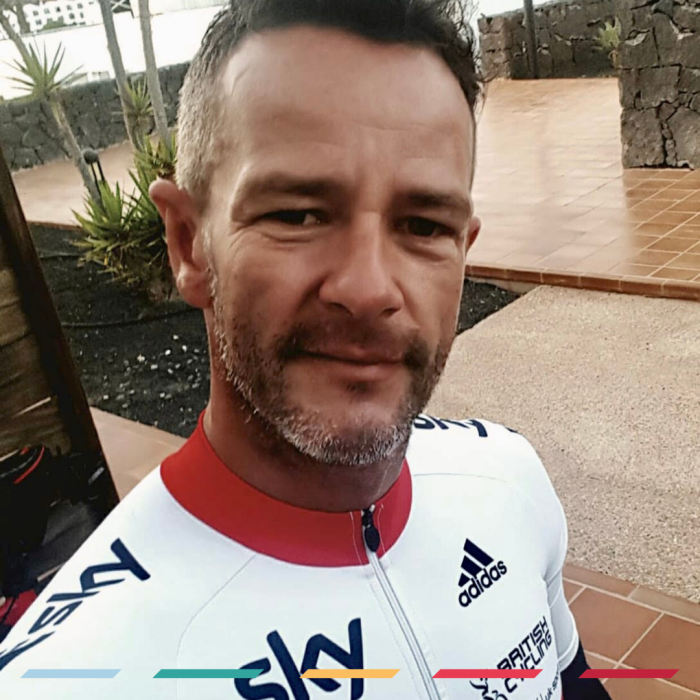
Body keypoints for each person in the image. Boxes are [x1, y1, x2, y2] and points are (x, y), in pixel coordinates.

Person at [0, 1, 611, 698]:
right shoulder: (73, 679)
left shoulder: (509, 478)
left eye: (423, 225)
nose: (369, 288)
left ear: (463, 252)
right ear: (189, 244)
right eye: (297, 214)